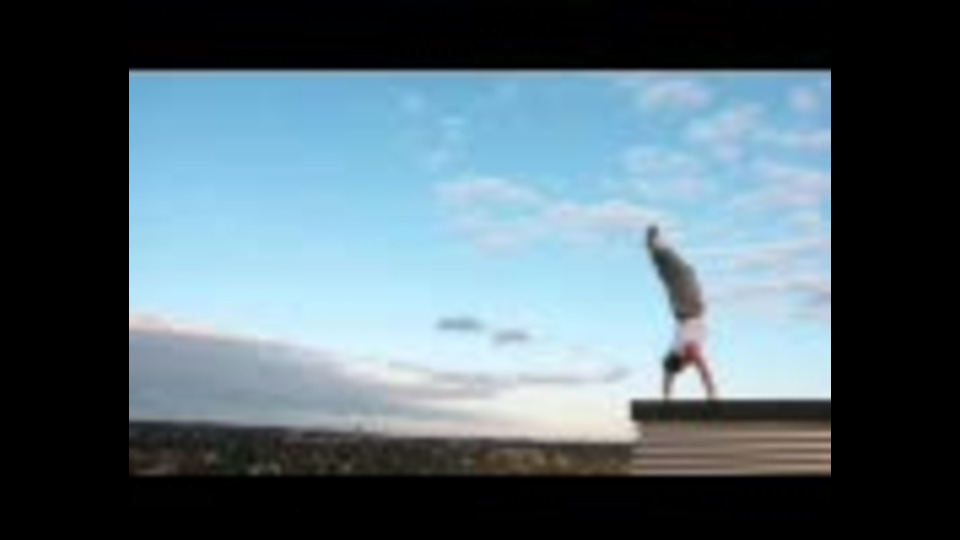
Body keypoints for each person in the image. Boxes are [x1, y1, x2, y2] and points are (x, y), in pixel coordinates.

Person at [646, 224, 718, 401]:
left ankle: (655, 246)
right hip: (683, 308)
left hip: (689, 307)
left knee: (682, 273)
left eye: (687, 362)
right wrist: (667, 396)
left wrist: (711, 394)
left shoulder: (687, 351)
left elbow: (704, 371)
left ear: (683, 360)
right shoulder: (675, 353)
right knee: (672, 276)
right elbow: (668, 373)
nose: (690, 361)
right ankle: (655, 251)